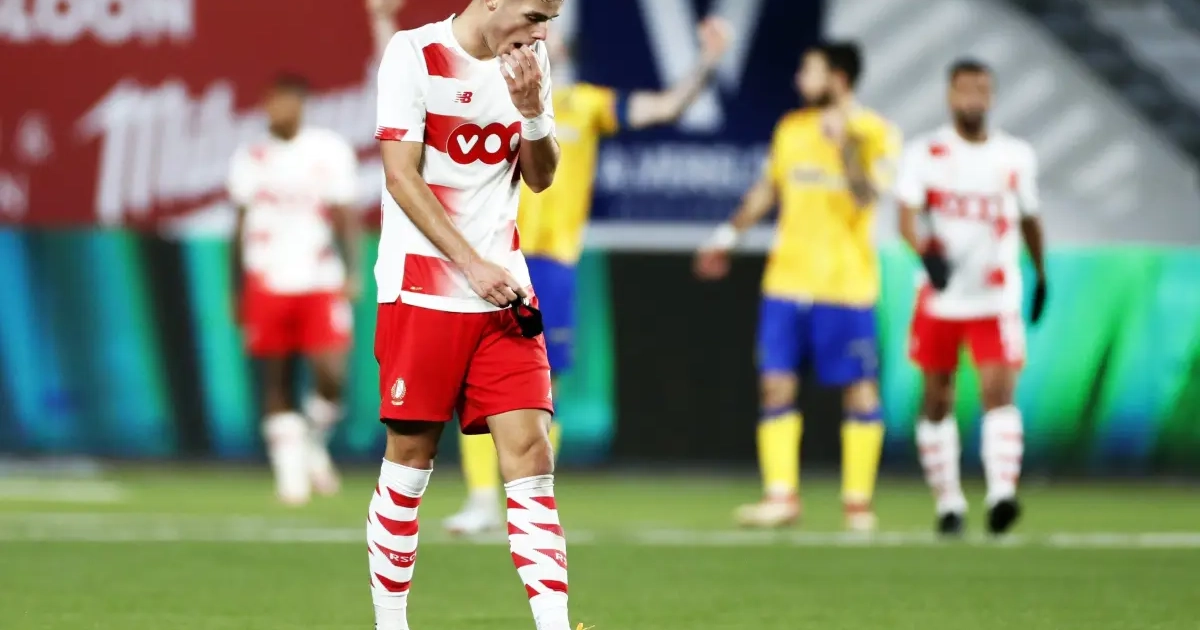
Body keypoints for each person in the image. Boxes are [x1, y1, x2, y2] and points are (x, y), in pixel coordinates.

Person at [434, 15, 733, 535]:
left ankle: (531, 499)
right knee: (474, 381)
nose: (535, 47)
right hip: (496, 254)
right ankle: (481, 500)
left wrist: (707, 60)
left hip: (553, 263)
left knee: (542, 386)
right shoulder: (488, 96)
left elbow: (667, 107)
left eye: (541, 38)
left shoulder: (586, 104)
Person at [367, 1, 575, 630]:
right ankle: (391, 623)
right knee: (409, 462)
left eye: (550, 19)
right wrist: (470, 264)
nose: (541, 32)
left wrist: (533, 111)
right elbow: (401, 178)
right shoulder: (414, 54)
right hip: (422, 292)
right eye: (534, 15)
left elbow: (540, 178)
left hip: (504, 296)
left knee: (532, 455)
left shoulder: (529, 62)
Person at [695, 41, 901, 532]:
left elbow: (868, 196)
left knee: (859, 390)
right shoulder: (791, 128)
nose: (798, 80)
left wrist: (846, 147)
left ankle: (857, 504)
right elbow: (768, 189)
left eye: (809, 70)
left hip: (845, 285)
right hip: (787, 281)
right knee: (775, 384)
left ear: (838, 78)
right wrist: (726, 237)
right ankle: (781, 497)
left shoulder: (877, 132)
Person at [895, 58, 1046, 537]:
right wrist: (924, 253)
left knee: (998, 391)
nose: (973, 98)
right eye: (965, 89)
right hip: (941, 296)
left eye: (982, 89)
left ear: (992, 96)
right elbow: (905, 217)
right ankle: (949, 502)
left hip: (994, 295)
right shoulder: (926, 153)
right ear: (950, 95)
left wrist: (1042, 273)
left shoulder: (1015, 156)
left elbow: (1030, 217)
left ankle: (1001, 494)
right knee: (937, 398)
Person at [228, 73, 361, 506]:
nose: (276, 110)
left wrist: (354, 270)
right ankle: (290, 475)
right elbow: (239, 225)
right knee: (277, 376)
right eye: (270, 101)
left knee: (332, 374)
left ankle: (312, 441)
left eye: (284, 101)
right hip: (267, 277)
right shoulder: (251, 157)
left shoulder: (328, 150)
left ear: (301, 104)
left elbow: (344, 214)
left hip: (319, 276)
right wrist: (236, 289)